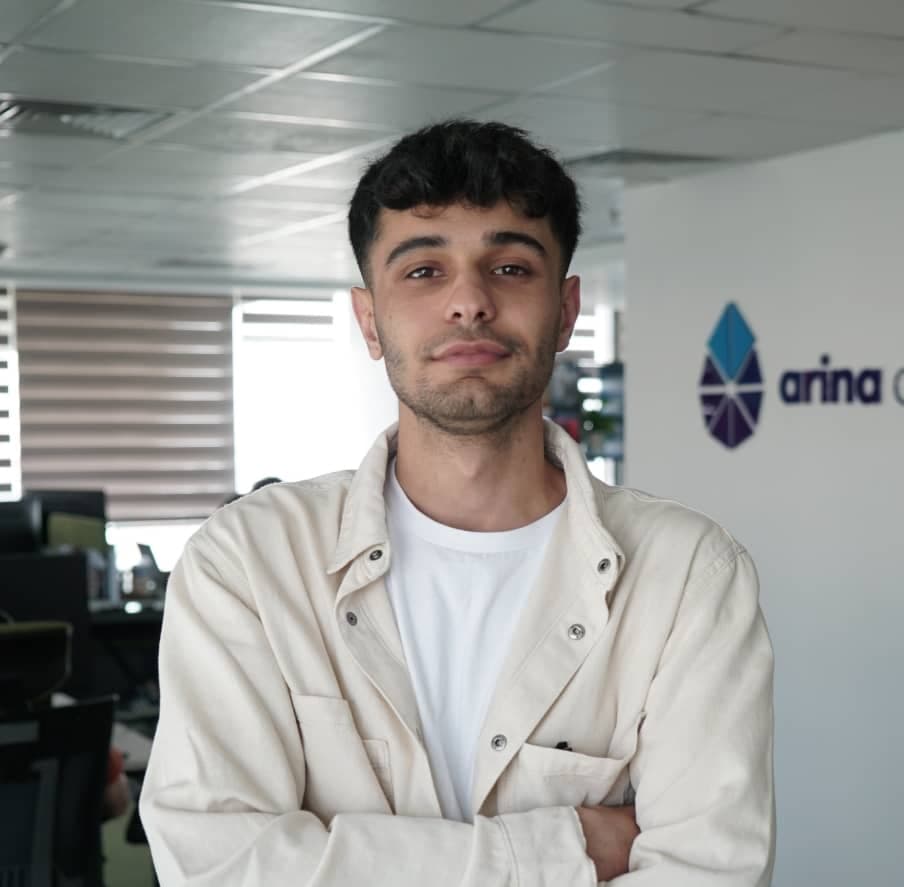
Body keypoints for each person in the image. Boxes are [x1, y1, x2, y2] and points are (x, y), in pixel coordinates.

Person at [140, 120, 775, 886]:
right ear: (369, 320)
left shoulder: (688, 575)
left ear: (567, 311)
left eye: (509, 267)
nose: (469, 301)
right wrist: (557, 851)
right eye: (423, 271)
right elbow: (217, 866)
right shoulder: (248, 562)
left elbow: (713, 875)